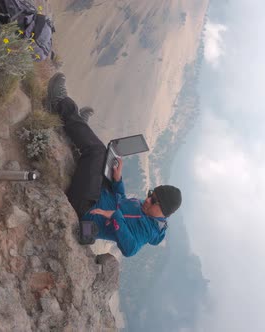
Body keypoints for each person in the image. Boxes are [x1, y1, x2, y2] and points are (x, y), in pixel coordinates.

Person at [46, 72, 182, 257]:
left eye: (153, 200)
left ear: (162, 211)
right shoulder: (148, 209)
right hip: (103, 193)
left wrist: (114, 216)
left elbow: (130, 249)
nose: (147, 199)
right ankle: (78, 129)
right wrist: (118, 181)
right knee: (107, 157)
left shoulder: (148, 231)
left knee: (97, 152)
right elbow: (121, 200)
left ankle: (60, 104)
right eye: (151, 194)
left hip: (88, 208)